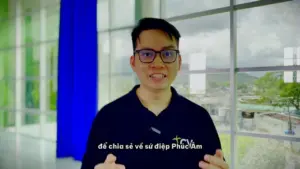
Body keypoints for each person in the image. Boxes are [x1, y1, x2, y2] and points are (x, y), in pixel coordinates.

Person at [81, 17, 229, 169]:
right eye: (146, 54)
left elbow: (215, 163)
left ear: (178, 62)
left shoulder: (199, 118)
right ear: (133, 62)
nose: (158, 64)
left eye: (168, 54)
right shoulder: (108, 117)